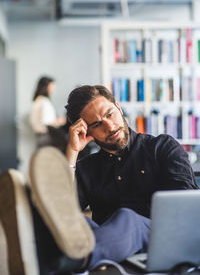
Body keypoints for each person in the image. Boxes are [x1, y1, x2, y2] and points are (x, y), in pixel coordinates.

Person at [0, 84, 199, 275]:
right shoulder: (88, 168)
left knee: (128, 219)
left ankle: (57, 261)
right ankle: (32, 224)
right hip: (109, 247)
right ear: (87, 132)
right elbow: (65, 215)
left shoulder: (162, 147)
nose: (110, 126)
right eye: (97, 124)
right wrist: (72, 152)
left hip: (158, 241)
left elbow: (187, 208)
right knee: (78, 224)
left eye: (110, 114)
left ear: (119, 107)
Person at [30, 76, 66, 148]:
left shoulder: (38, 100)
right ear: (46, 87)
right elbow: (47, 123)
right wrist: (60, 121)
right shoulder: (44, 101)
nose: (54, 89)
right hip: (47, 137)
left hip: (42, 137)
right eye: (52, 86)